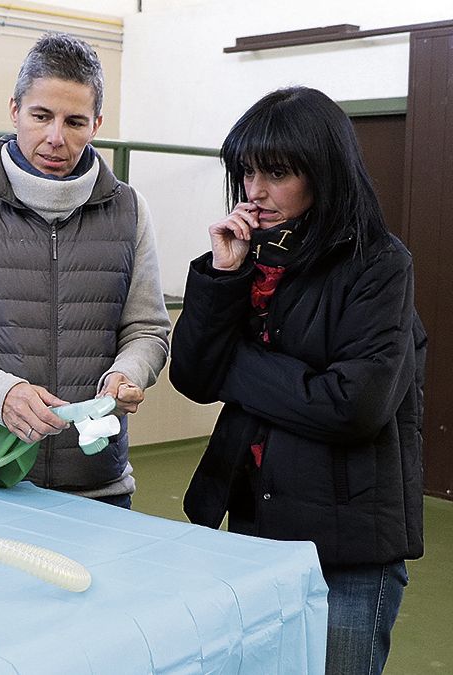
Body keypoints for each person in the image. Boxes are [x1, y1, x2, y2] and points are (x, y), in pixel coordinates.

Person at [169, 86, 425, 674]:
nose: (255, 193)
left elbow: (352, 404)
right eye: (248, 173)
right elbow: (191, 375)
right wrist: (222, 273)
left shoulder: (380, 264)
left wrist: (232, 365)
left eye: (277, 174)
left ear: (324, 173)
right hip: (256, 523)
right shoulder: (251, 257)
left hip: (349, 545)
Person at [0, 32, 171, 507]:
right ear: (15, 111)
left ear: (96, 123)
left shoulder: (130, 211)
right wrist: (2, 393)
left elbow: (148, 330)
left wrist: (127, 373)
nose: (56, 137)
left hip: (95, 482)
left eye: (75, 121)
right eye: (41, 116)